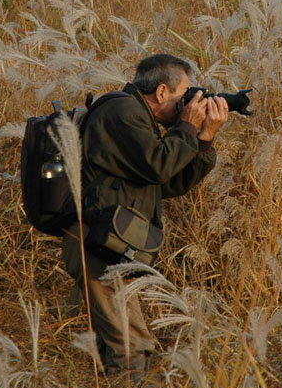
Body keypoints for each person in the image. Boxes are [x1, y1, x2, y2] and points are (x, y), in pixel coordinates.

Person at [62, 54, 228, 371]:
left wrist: (203, 139)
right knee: (130, 344)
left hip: (106, 241)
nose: (190, 105)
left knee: (115, 342)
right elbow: (158, 164)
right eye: (185, 97)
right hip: (94, 240)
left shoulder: (140, 121)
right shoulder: (121, 110)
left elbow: (168, 181)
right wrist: (187, 127)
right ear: (162, 92)